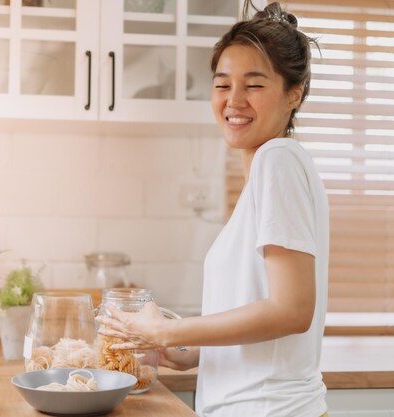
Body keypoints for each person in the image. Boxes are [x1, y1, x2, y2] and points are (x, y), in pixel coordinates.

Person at [96, 2, 329, 416]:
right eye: (222, 85)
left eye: (254, 85)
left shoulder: (278, 160)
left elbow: (292, 310)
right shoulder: (269, 171)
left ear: (294, 93)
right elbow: (263, 316)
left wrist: (167, 331)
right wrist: (193, 353)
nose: (234, 100)